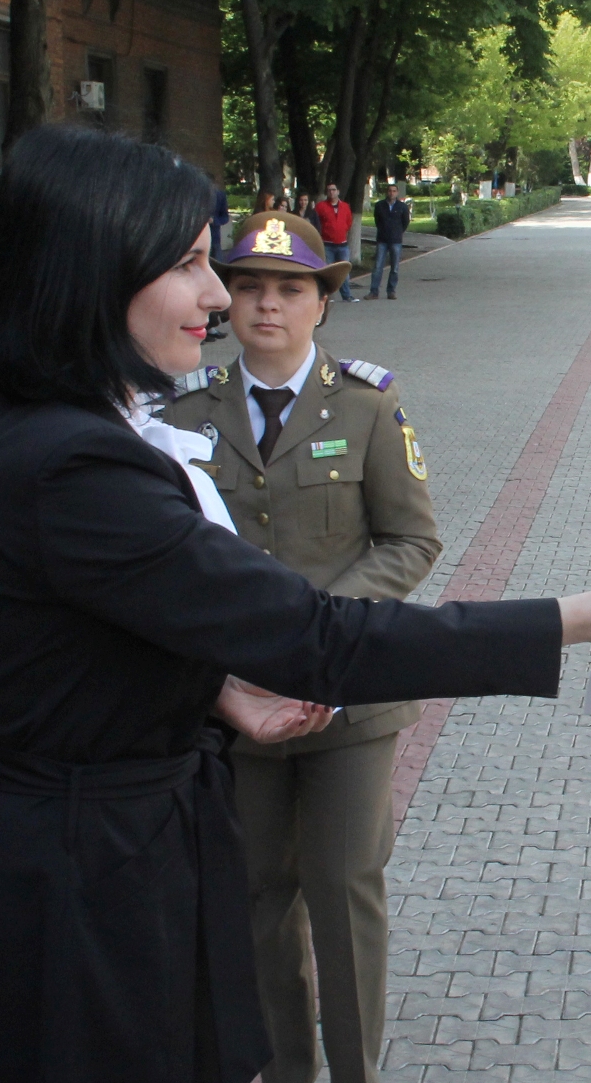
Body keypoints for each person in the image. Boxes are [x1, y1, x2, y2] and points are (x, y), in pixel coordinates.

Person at [0, 123, 591, 1082]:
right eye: (194, 266)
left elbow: (91, 629)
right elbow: (310, 635)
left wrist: (214, 688)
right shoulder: (78, 462)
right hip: (82, 880)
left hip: (94, 843)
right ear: (94, 269)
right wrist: (575, 617)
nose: (218, 298)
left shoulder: (48, 424)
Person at [165, 210, 436, 1083]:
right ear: (228, 301)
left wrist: (316, 621)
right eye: (249, 286)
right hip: (240, 702)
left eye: (290, 288)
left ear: (324, 300)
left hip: (349, 697)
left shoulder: (365, 404)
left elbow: (410, 540)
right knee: (255, 902)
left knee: (345, 894)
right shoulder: (182, 414)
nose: (267, 304)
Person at [315, 182, 359, 302]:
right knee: (328, 272)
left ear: (338, 192)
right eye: (329, 190)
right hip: (327, 244)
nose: (331, 192)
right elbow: (316, 222)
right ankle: (327, 297)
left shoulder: (345, 206)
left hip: (342, 244)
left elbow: (348, 222)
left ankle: (347, 295)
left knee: (344, 271)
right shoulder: (321, 206)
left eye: (334, 190)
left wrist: (342, 229)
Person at [368, 183, 410, 300]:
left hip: (396, 240)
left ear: (397, 193)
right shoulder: (380, 205)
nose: (391, 193)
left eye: (394, 191)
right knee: (377, 267)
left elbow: (405, 222)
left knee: (395, 268)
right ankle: (374, 291)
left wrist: (398, 232)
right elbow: (377, 221)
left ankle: (391, 291)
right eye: (390, 191)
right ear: (387, 192)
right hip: (382, 239)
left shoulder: (402, 207)